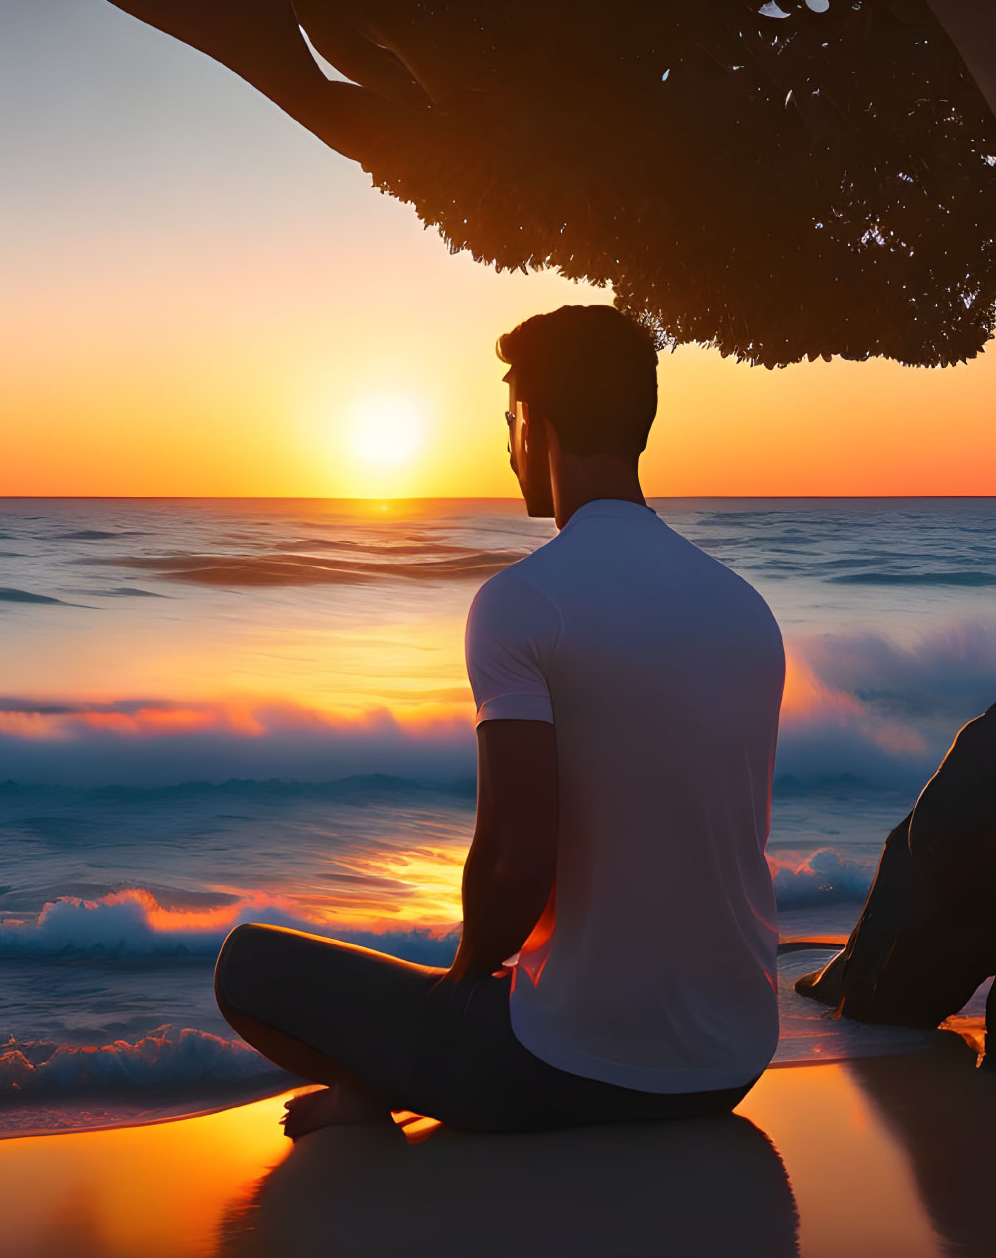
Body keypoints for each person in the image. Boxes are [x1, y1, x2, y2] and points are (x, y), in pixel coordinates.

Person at [214, 304, 787, 1138]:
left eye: (508, 417)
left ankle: (373, 1096)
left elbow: (519, 859)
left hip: (574, 1067)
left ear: (535, 425)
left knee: (249, 966)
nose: (505, 445)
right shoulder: (745, 609)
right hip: (732, 1059)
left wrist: (467, 976)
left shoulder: (522, 602)